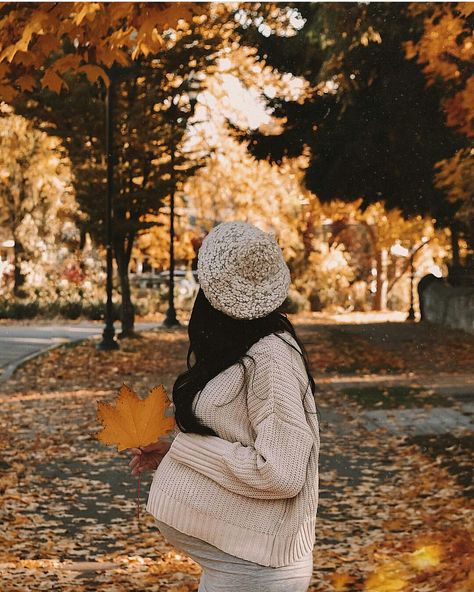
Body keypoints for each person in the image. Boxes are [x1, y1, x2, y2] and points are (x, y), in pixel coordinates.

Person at [128, 221, 321, 592]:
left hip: (258, 571)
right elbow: (240, 443)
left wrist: (187, 448)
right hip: (239, 568)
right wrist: (173, 455)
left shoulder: (272, 358)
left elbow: (281, 471)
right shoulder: (248, 349)